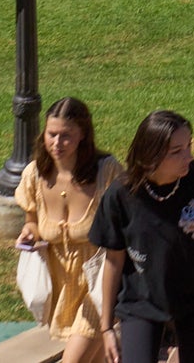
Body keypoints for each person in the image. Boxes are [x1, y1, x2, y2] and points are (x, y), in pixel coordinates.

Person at [90, 110, 194, 363]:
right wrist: (106, 327)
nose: (188, 156)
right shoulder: (121, 194)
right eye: (176, 151)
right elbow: (114, 261)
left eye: (189, 146)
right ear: (150, 155)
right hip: (140, 302)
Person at [15, 97, 121, 363]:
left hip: (100, 285)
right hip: (62, 284)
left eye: (66, 136)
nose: (57, 143)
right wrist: (30, 232)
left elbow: (128, 225)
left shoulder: (106, 173)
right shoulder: (34, 175)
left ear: (83, 135)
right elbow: (32, 221)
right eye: (52, 134)